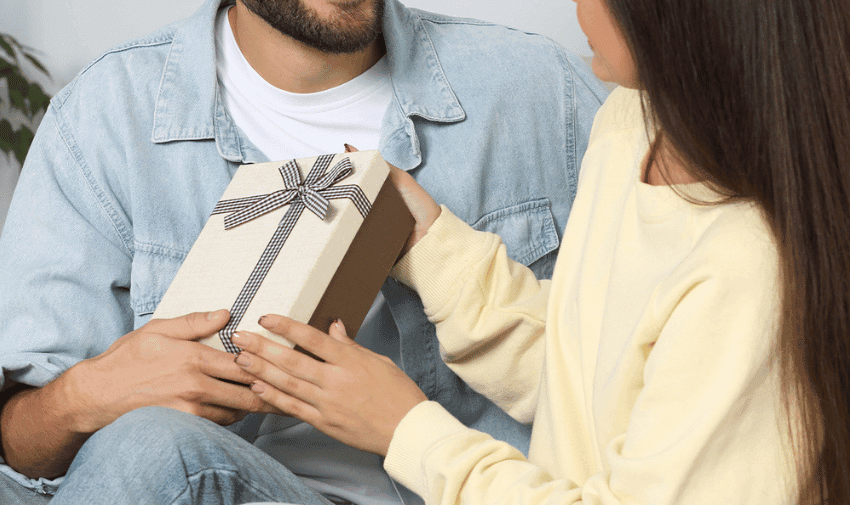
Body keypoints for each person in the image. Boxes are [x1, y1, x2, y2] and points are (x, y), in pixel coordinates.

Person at [225, 0, 850, 503]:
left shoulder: (749, 268)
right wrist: (425, 241)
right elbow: (585, 380)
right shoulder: (632, 125)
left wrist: (404, 428)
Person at [0, 0, 609, 503]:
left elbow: (663, 372)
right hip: (233, 483)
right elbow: (21, 453)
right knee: (151, 445)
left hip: (485, 487)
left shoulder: (544, 92)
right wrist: (88, 394)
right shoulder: (105, 117)